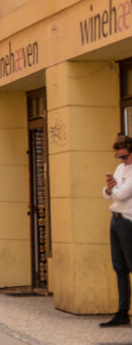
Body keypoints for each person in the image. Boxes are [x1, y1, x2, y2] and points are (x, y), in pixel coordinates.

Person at [101, 134, 132, 327]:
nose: (122, 160)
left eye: (125, 156)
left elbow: (122, 194)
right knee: (119, 267)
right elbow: (107, 194)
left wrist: (113, 191)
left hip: (128, 220)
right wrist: (109, 189)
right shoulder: (120, 168)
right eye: (119, 156)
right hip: (115, 219)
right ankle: (122, 312)